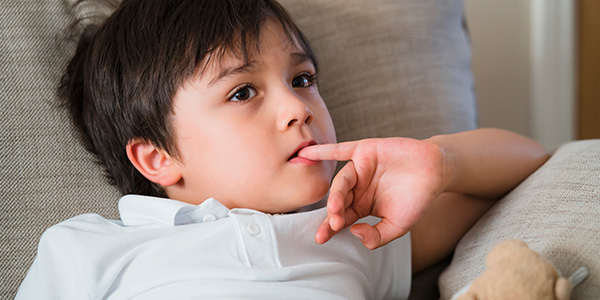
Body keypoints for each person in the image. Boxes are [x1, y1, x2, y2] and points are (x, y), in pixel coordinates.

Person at [16, 0, 549, 299]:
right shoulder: (89, 249)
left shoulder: (350, 229)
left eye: (302, 78)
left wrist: (438, 161)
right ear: (158, 157)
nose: (301, 108)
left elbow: (532, 163)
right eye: (242, 92)